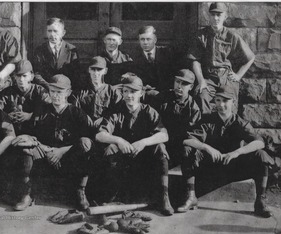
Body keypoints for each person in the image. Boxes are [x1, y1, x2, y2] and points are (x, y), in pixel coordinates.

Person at [178, 85, 274, 218]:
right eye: (218, 100)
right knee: (187, 150)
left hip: (234, 167)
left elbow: (259, 142)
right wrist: (207, 147)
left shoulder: (240, 122)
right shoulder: (207, 120)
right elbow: (187, 140)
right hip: (211, 166)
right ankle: (191, 196)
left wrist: (237, 152)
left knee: (261, 155)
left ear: (233, 102)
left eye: (225, 101)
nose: (221, 104)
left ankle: (260, 201)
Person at [11, 74, 93, 211]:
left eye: (59, 92)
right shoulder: (42, 110)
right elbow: (32, 134)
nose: (55, 95)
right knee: (24, 144)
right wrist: (46, 149)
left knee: (85, 143)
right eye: (52, 91)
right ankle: (27, 193)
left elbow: (86, 139)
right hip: (45, 154)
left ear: (68, 93)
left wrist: (61, 151)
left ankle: (80, 191)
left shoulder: (76, 113)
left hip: (68, 157)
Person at [95, 75, 174, 216]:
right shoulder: (116, 111)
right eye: (125, 91)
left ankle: (164, 197)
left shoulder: (148, 111)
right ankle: (113, 196)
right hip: (122, 159)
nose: (129, 95)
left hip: (143, 159)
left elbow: (164, 135)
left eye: (133, 92)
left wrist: (144, 142)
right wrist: (119, 140)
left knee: (160, 147)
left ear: (141, 93)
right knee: (109, 148)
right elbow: (100, 135)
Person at [187, 2, 255, 114]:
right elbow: (195, 60)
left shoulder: (232, 36)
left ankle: (228, 130)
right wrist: (201, 81)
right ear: (208, 16)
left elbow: (250, 57)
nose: (216, 18)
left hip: (226, 78)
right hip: (208, 77)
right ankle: (206, 129)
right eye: (213, 15)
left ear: (225, 16)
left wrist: (238, 76)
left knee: (229, 104)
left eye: (219, 15)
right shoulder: (200, 35)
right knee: (201, 96)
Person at [152, 69, 201, 168]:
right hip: (160, 142)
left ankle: (188, 183)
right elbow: (153, 123)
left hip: (180, 146)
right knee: (159, 148)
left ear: (191, 87)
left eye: (184, 84)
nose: (179, 86)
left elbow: (192, 135)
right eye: (177, 82)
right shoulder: (162, 98)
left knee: (188, 151)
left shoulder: (193, 108)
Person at [0, 60, 50, 135]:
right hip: (13, 134)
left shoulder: (40, 91)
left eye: (24, 76)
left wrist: (30, 116)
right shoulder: (7, 92)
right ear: (15, 77)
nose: (21, 79)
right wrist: (6, 116)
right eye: (18, 76)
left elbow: (49, 110)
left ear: (31, 76)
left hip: (35, 134)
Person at [71, 56, 122, 129]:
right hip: (85, 129)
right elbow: (75, 111)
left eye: (99, 70)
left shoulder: (113, 91)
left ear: (105, 71)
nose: (95, 73)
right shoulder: (80, 92)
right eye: (93, 69)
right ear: (89, 70)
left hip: (106, 129)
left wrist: (104, 119)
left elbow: (117, 112)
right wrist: (85, 117)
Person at [33, 18, 81, 91]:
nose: (52, 34)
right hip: (45, 90)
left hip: (66, 90)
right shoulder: (40, 50)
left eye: (55, 31)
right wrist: (48, 86)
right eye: (49, 31)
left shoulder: (71, 50)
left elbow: (75, 74)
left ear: (63, 33)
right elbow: (37, 73)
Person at [132, 25, 175, 91]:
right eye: (142, 39)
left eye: (148, 39)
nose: (145, 42)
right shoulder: (134, 56)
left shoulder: (167, 53)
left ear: (155, 40)